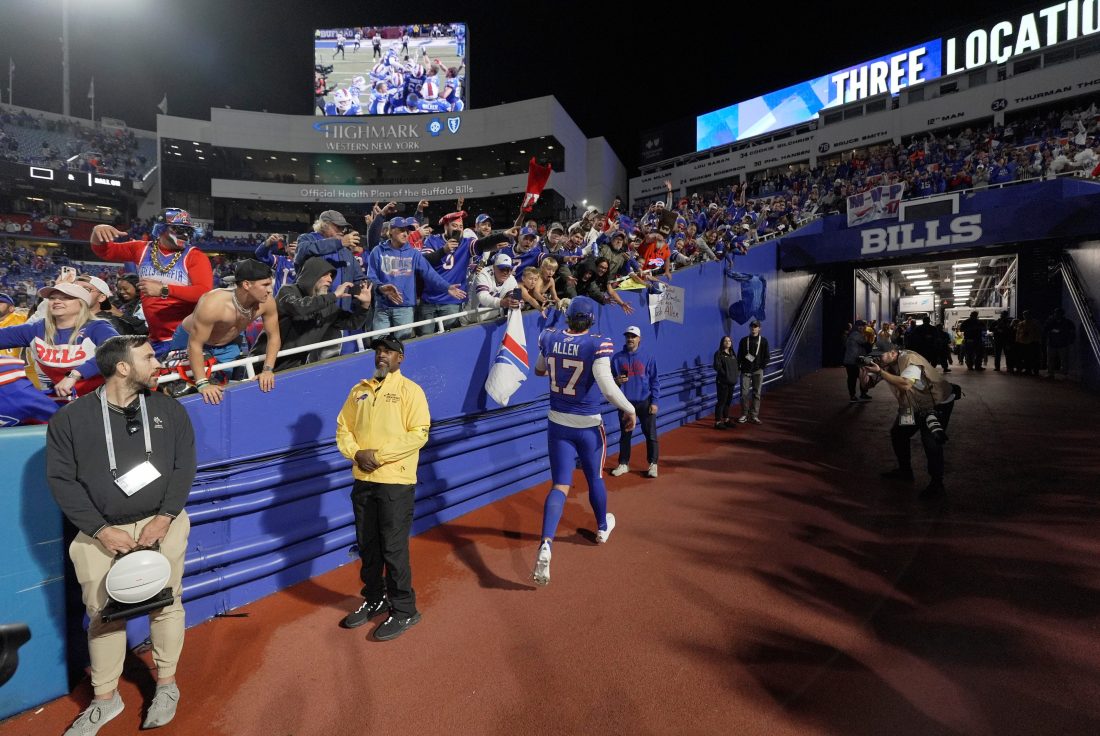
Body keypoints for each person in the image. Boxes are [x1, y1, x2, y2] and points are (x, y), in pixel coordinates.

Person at [47, 335, 196, 732]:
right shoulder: (71, 419)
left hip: (164, 524)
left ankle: (166, 685)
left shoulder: (169, 408)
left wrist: (165, 516)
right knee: (102, 616)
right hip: (99, 534)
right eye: (148, 357)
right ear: (123, 367)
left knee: (167, 604)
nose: (157, 361)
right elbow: (62, 481)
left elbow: (185, 467)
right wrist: (100, 530)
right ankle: (105, 699)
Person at [532, 297, 637, 586]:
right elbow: (607, 386)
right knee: (594, 478)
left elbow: (539, 369)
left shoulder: (550, 336)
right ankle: (602, 527)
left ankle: (546, 543)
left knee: (560, 485)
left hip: (557, 422)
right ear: (591, 319)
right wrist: (629, 408)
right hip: (588, 424)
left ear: (568, 317)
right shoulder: (596, 342)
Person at [335, 336, 428, 641]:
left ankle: (404, 609)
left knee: (393, 547)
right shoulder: (358, 390)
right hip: (363, 480)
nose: (381, 355)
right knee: (368, 545)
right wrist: (356, 453)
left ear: (400, 358)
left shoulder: (410, 391)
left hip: (395, 483)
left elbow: (419, 433)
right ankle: (375, 597)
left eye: (387, 351)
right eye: (378, 351)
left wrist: (377, 455)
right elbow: (343, 427)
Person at [88, 210, 213, 357]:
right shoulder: (141, 249)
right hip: (156, 338)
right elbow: (104, 251)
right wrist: (97, 233)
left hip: (186, 337)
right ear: (161, 228)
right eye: (179, 229)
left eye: (188, 230)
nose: (185, 234)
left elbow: (204, 293)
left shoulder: (195, 256)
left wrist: (164, 290)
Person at [167, 260, 281, 405]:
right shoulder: (213, 303)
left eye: (269, 284)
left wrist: (268, 370)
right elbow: (195, 344)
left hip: (228, 343)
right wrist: (202, 383)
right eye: (265, 285)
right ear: (246, 285)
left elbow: (274, 337)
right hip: (190, 340)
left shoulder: (267, 302)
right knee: (182, 390)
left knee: (220, 391)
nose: (270, 289)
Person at [0, 282, 119, 406]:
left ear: (81, 303)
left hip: (105, 399)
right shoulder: (37, 329)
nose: (56, 301)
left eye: (66, 297)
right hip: (64, 400)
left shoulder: (97, 327)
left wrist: (75, 375)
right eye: (52, 298)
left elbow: (116, 350)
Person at [866, 346, 958, 497]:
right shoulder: (886, 365)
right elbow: (867, 385)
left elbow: (906, 383)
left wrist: (880, 372)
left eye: (879, 356)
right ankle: (905, 471)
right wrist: (863, 373)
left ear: (893, 353)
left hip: (936, 403)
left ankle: (937, 484)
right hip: (913, 405)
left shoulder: (909, 359)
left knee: (930, 441)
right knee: (898, 434)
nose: (876, 359)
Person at [253, 256, 372, 371]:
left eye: (331, 276)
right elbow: (299, 308)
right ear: (312, 275)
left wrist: (365, 305)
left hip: (295, 365)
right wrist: (334, 295)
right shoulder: (288, 291)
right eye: (325, 275)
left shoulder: (327, 305)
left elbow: (352, 323)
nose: (330, 280)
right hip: (264, 363)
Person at [367, 216, 467, 338]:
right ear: (391, 231)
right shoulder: (378, 251)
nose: (405, 234)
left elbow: (429, 273)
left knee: (403, 346)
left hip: (405, 308)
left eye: (407, 231)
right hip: (382, 307)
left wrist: (447, 287)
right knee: (379, 344)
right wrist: (381, 288)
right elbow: (371, 276)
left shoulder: (414, 253)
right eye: (401, 230)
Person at [610, 326, 661, 478]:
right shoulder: (617, 358)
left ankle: (653, 464)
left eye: (633, 336)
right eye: (628, 336)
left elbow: (655, 381)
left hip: (644, 402)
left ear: (639, 339)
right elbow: (610, 382)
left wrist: (655, 402)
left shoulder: (648, 356)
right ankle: (624, 464)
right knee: (625, 436)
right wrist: (616, 381)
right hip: (625, 404)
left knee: (650, 435)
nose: (630, 339)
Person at [736, 319, 769, 423]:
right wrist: (739, 368)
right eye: (752, 326)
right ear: (750, 328)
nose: (753, 328)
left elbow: (767, 357)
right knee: (744, 393)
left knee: (757, 394)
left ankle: (754, 415)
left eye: (756, 326)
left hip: (758, 371)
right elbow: (739, 355)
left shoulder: (763, 341)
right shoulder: (744, 340)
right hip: (745, 371)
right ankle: (744, 414)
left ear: (759, 328)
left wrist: (761, 367)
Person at [712, 335, 737, 429]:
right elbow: (717, 367)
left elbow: (736, 367)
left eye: (729, 341)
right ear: (722, 343)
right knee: (721, 402)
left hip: (731, 382)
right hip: (722, 382)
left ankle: (726, 419)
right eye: (726, 341)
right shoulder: (718, 354)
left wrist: (734, 376)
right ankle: (718, 422)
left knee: (728, 401)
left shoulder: (733, 354)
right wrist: (725, 375)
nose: (728, 342)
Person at [843, 320, 872, 402]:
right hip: (852, 361)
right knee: (853, 379)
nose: (864, 327)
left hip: (856, 360)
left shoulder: (854, 334)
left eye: (864, 326)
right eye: (862, 326)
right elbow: (866, 344)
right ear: (857, 326)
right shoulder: (856, 334)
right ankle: (853, 396)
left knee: (861, 378)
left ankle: (862, 394)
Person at [1044, 307, 1075, 379]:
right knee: (1054, 359)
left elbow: (1072, 332)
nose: (1057, 315)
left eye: (1058, 313)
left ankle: (1059, 373)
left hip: (1060, 343)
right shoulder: (1066, 322)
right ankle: (1055, 373)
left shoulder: (1066, 322)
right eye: (1056, 313)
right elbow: (1045, 329)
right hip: (1055, 343)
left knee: (1061, 359)